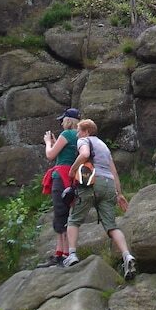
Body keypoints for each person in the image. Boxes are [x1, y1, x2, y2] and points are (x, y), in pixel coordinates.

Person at [63, 118, 137, 280]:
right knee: (111, 226)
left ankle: (72, 255)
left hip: (91, 183)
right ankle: (127, 255)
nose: (77, 134)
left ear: (86, 131)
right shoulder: (104, 146)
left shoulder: (84, 141)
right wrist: (119, 194)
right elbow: (114, 172)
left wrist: (72, 170)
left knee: (74, 219)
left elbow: (85, 154)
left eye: (79, 131)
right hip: (109, 185)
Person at [38, 107, 81, 267]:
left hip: (61, 177)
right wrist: (57, 142)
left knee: (59, 213)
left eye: (63, 120)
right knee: (66, 212)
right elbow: (68, 153)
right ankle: (62, 252)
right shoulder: (79, 136)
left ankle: (62, 254)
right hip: (72, 178)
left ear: (68, 120)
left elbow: (50, 155)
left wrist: (48, 143)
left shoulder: (67, 134)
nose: (61, 123)